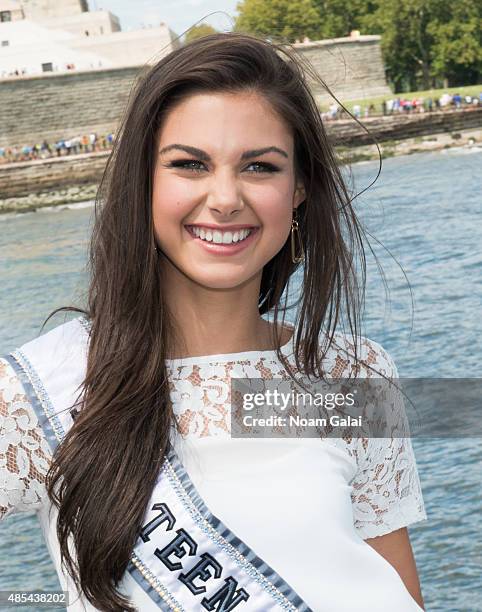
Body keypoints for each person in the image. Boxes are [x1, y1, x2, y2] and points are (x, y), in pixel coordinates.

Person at [0, 32, 427, 611]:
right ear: (144, 182)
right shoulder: (39, 391)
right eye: (189, 164)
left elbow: (400, 591)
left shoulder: (351, 374)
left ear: (298, 189)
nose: (225, 198)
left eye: (259, 166)